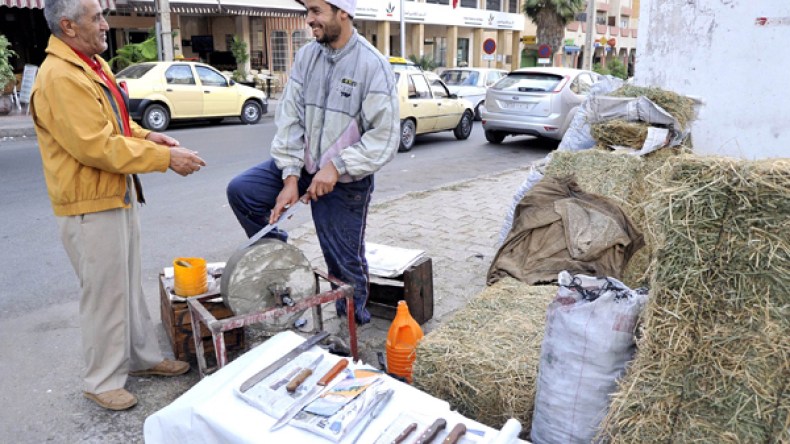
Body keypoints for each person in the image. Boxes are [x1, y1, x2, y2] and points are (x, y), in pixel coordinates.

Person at [31, 0, 206, 411]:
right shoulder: (59, 76)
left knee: (126, 286)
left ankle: (142, 358)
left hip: (114, 192)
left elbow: (116, 126)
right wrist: (166, 160)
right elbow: (96, 147)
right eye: (97, 18)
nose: (106, 24)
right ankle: (101, 379)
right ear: (69, 26)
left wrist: (149, 138)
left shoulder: (89, 64)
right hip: (88, 201)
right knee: (104, 295)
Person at [227, 0, 399, 326]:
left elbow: (385, 137)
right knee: (242, 191)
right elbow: (290, 118)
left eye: (316, 11)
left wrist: (337, 167)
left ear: (343, 12)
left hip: (346, 181)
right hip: (304, 167)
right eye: (307, 11)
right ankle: (281, 259)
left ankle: (354, 326)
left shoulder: (372, 65)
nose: (309, 20)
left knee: (343, 264)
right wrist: (291, 176)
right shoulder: (307, 56)